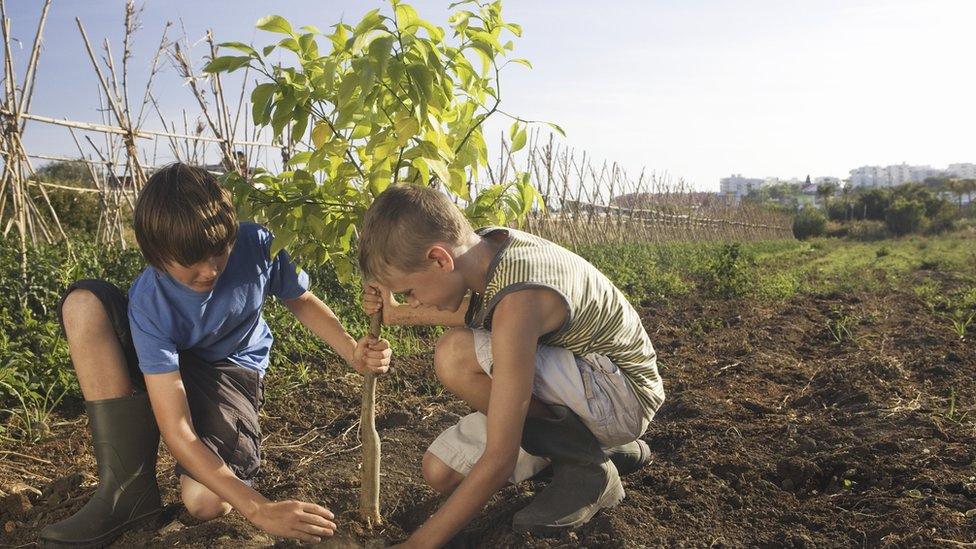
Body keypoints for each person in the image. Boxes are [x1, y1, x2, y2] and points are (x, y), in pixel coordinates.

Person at [40, 163, 391, 547]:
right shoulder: (150, 301)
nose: (209, 271)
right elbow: (178, 428)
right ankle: (125, 492)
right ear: (157, 257)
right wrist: (258, 509)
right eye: (191, 264)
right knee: (83, 303)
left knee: (205, 501)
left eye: (219, 253)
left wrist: (351, 350)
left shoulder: (256, 242)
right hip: (167, 368)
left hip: (229, 369)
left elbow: (301, 299)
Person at [358, 184, 663, 546]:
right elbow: (468, 307)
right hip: (583, 390)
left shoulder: (519, 300)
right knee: (440, 471)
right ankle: (598, 451)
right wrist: (392, 311)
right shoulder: (484, 249)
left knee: (454, 355)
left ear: (440, 259)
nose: (414, 300)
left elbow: (499, 458)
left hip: (621, 396)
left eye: (409, 291)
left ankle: (587, 468)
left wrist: (416, 545)